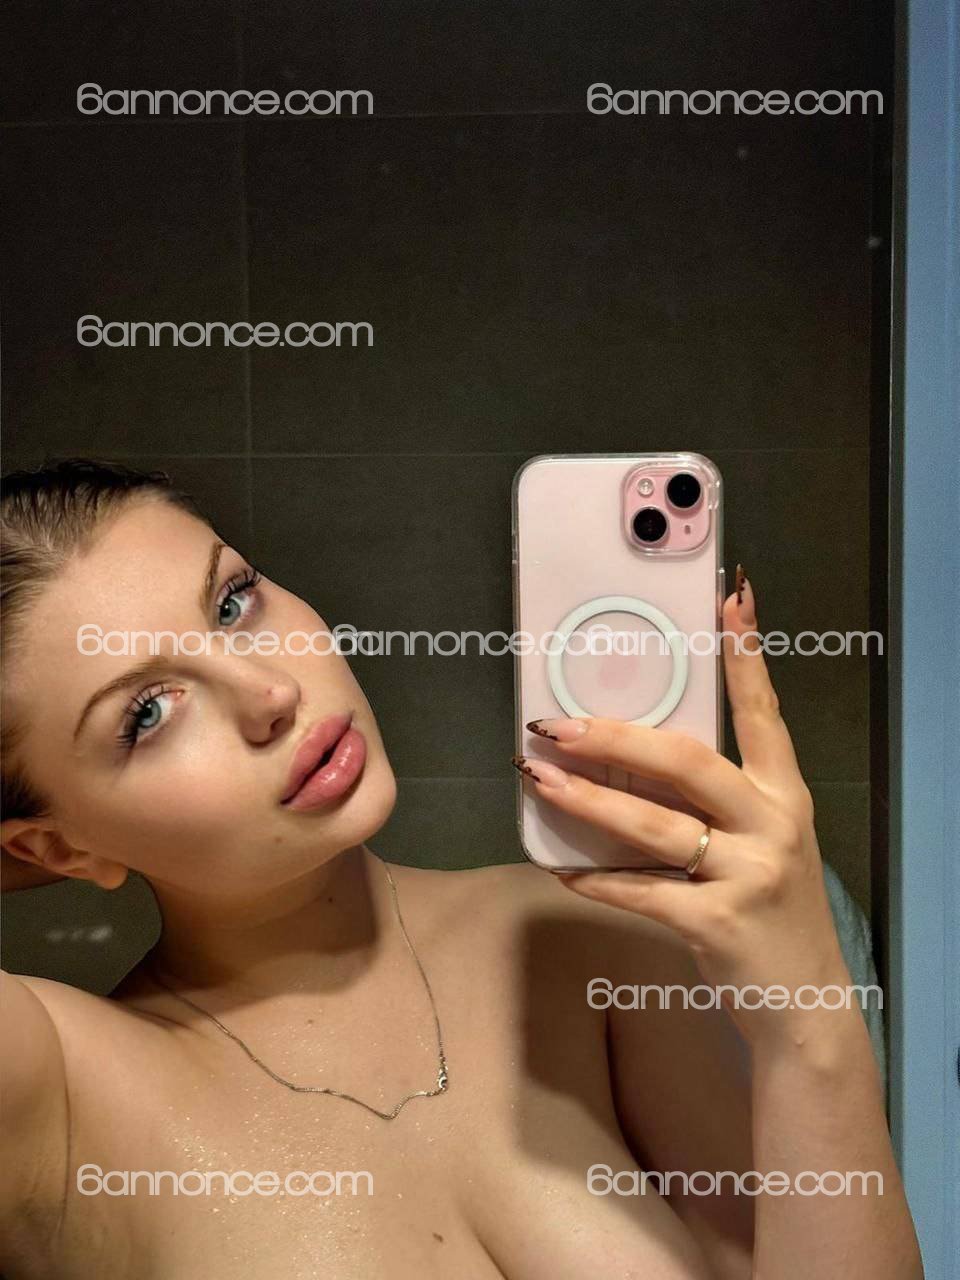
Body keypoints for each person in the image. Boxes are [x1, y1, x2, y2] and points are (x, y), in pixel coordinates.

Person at [0, 460, 922, 1279]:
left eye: (234, 602)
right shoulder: (59, 1086)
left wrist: (809, 1011)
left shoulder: (594, 933)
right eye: (148, 714)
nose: (269, 691)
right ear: (57, 850)